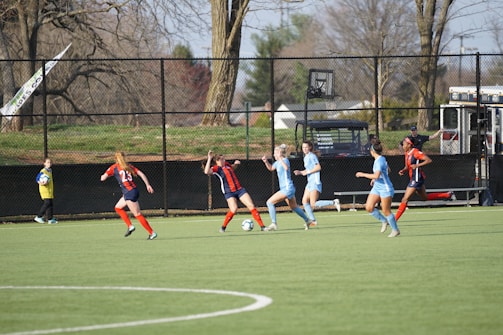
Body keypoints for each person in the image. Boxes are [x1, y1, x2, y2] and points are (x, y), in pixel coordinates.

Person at [204, 150, 266, 232]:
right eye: (222, 159)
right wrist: (209, 158)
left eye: (224, 159)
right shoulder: (216, 169)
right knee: (234, 209)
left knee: (251, 206)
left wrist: (236, 165)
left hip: (239, 189)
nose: (224, 161)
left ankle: (262, 226)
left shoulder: (226, 165)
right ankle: (223, 227)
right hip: (229, 192)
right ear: (217, 161)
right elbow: (206, 171)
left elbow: (232, 167)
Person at [395, 136, 455, 221]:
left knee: (404, 199)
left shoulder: (415, 152)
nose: (403, 146)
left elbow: (428, 160)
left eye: (404, 144)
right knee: (425, 197)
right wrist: (404, 170)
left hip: (416, 178)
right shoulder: (407, 153)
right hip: (414, 178)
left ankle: (394, 219)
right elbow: (407, 166)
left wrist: (417, 165)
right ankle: (448, 195)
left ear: (409, 144)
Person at [101, 151, 157, 240]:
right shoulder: (129, 166)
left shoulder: (114, 167)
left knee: (137, 214)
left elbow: (103, 178)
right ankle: (130, 226)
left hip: (129, 193)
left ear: (115, 159)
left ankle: (152, 233)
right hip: (133, 191)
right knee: (118, 207)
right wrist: (148, 185)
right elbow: (141, 174)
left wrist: (105, 174)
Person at [262, 144, 313, 231]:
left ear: (279, 153)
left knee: (269, 202)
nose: (274, 155)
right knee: (294, 207)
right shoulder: (277, 163)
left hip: (287, 188)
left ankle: (274, 223)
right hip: (286, 188)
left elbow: (286, 168)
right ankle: (307, 220)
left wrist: (281, 158)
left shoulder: (285, 160)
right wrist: (266, 162)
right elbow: (271, 168)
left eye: (275, 153)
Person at [355, 138, 400, 237]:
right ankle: (384, 221)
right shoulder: (381, 159)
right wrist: (376, 178)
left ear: (372, 151)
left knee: (386, 210)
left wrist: (363, 174)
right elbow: (388, 170)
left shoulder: (379, 161)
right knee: (369, 207)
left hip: (385, 188)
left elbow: (377, 175)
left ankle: (395, 230)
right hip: (377, 187)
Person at [293, 140, 340, 228]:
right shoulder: (306, 157)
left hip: (315, 181)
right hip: (309, 182)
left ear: (310, 147)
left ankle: (333, 202)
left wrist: (306, 172)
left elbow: (318, 167)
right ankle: (313, 221)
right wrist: (300, 172)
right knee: (304, 201)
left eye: (306, 147)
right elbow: (308, 170)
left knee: (313, 204)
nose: (304, 149)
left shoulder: (312, 156)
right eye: (303, 147)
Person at [34, 157, 58, 224]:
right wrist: (41, 182)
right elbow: (37, 178)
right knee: (47, 203)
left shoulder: (50, 170)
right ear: (44, 163)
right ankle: (38, 216)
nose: (49, 164)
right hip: (44, 190)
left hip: (50, 190)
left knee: (50, 203)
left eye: (50, 162)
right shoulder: (43, 171)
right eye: (47, 162)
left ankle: (50, 219)